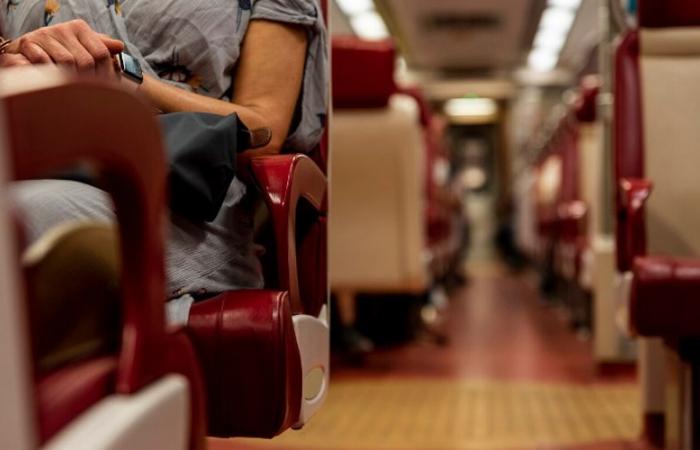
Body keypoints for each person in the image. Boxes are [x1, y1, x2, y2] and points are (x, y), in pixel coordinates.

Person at [0, 0, 327, 367]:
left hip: (177, 202)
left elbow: (264, 130)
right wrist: (11, 55)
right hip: (30, 164)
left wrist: (127, 79)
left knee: (18, 222)